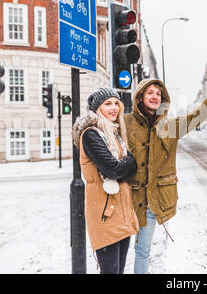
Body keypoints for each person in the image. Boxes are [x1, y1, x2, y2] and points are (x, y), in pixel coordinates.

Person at [123, 76, 207, 274]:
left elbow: (195, 117)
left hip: (152, 201)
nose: (154, 96)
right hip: (128, 198)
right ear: (140, 96)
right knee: (119, 250)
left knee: (142, 250)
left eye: (158, 94)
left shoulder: (169, 126)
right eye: (150, 92)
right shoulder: (126, 122)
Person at [72, 87, 139, 274]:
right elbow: (114, 169)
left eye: (116, 103)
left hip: (122, 211)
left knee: (118, 270)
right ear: (97, 108)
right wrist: (128, 164)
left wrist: (125, 167)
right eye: (107, 103)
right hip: (105, 211)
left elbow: (124, 169)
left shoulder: (115, 134)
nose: (114, 108)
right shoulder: (91, 134)